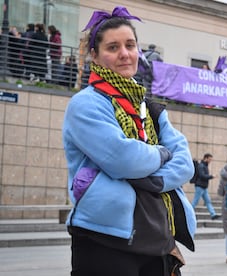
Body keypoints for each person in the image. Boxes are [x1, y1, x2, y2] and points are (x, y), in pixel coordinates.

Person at [62, 6, 196, 276]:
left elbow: (184, 164)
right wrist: (160, 153)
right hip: (103, 239)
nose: (124, 53)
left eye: (130, 45)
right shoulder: (85, 105)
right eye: (113, 47)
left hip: (157, 235)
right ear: (95, 56)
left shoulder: (151, 109)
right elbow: (124, 158)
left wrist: (152, 181)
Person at [192, 153, 220, 220]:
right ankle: (188, 213)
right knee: (195, 201)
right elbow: (202, 176)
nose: (210, 161)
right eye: (210, 159)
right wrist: (211, 176)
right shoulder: (201, 166)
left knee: (208, 201)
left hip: (203, 187)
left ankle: (213, 215)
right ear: (206, 158)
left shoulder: (204, 165)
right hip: (200, 186)